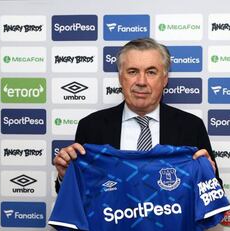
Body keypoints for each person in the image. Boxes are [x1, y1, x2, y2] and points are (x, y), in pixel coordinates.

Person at [54, 37, 221, 193]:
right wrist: (65, 177)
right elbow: (77, 198)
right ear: (120, 78)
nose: (141, 82)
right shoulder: (91, 126)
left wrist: (208, 179)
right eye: (132, 71)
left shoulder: (191, 127)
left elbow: (214, 198)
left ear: (165, 79)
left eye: (151, 72)